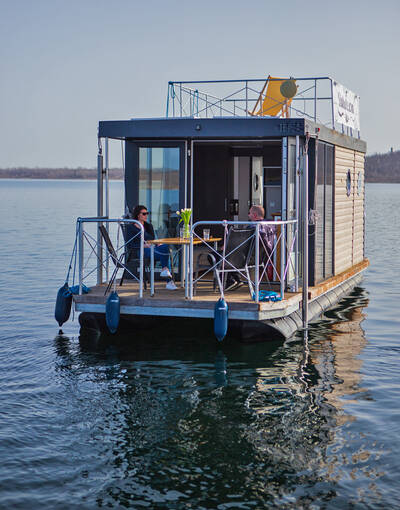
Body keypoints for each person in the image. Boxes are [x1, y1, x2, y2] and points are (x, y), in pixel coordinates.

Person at [125, 205, 177, 290]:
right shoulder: (131, 228)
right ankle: (169, 281)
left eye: (147, 213)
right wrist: (143, 245)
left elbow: (152, 239)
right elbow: (129, 245)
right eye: (144, 214)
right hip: (140, 251)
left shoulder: (149, 226)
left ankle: (165, 270)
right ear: (138, 215)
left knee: (165, 247)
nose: (146, 216)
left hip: (152, 249)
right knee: (164, 254)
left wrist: (157, 244)